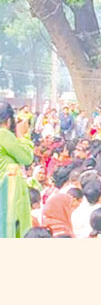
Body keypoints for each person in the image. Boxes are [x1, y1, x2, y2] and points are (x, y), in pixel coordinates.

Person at [0, 102, 35, 238]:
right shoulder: (3, 134)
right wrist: (22, 135)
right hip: (7, 191)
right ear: (9, 120)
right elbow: (26, 157)